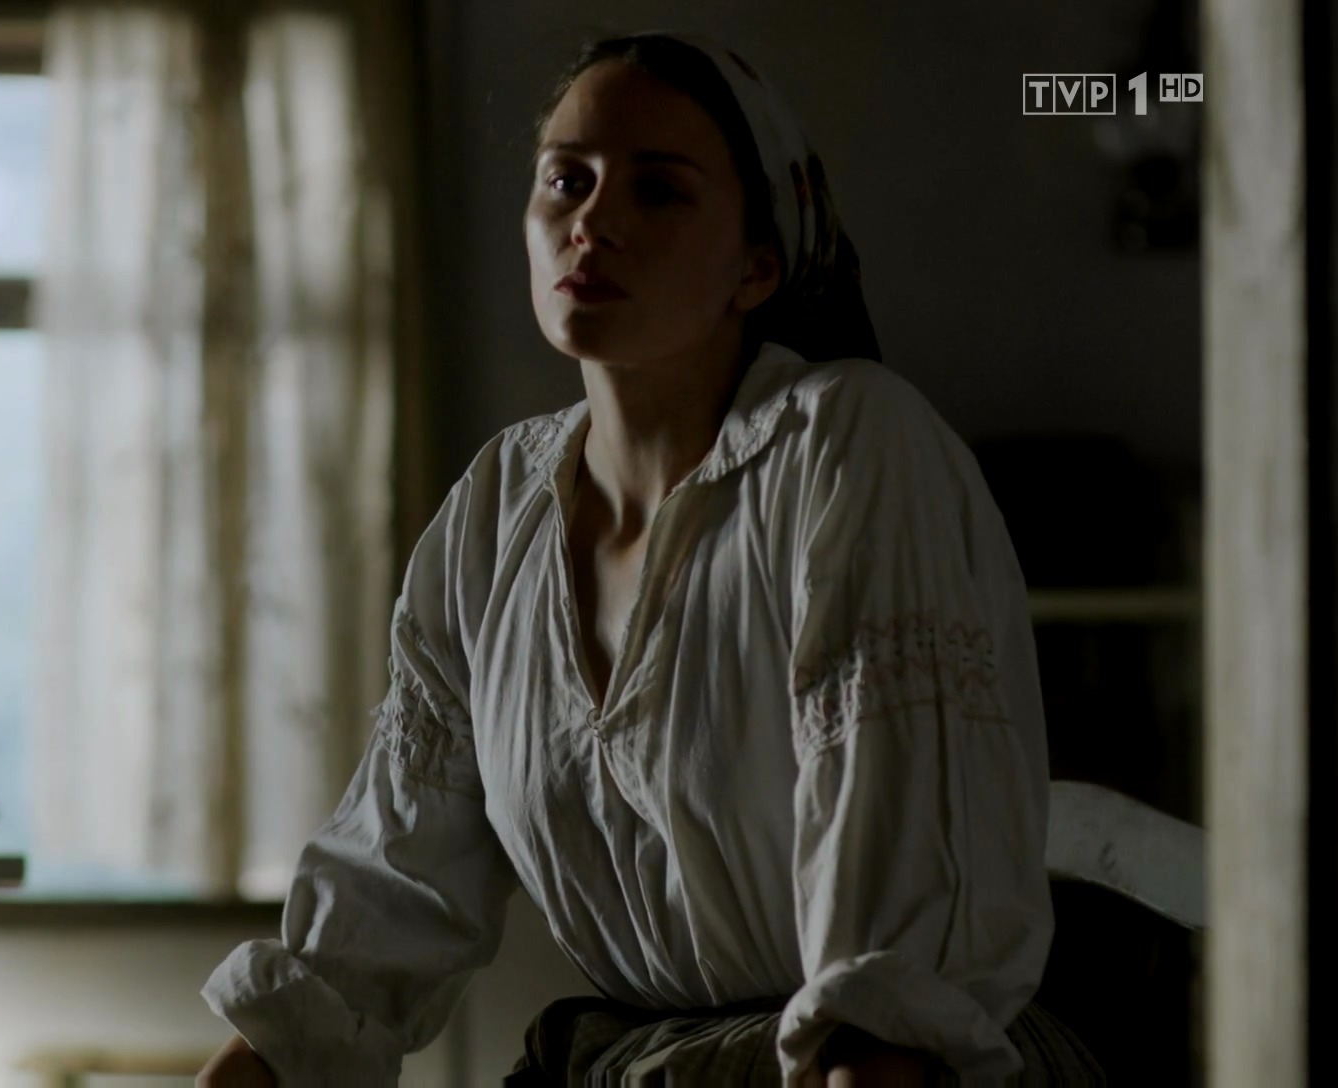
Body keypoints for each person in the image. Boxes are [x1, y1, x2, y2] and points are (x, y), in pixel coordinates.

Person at [197, 31, 1101, 1088]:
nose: (592, 220)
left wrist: (873, 1051)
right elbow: (396, 865)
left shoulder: (849, 443)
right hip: (639, 1060)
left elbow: (904, 916)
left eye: (659, 190)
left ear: (758, 264)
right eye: (565, 181)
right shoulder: (497, 508)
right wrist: (262, 1058)